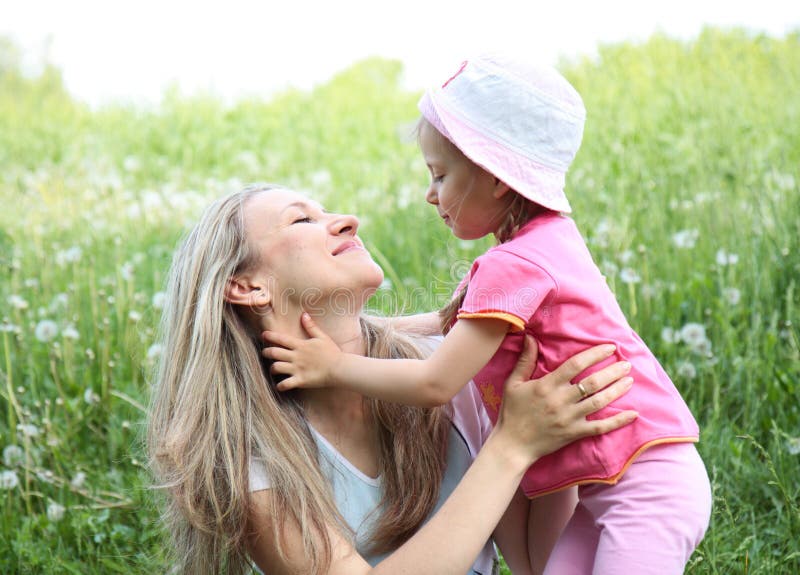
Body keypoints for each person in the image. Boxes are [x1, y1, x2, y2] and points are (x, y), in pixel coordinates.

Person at [262, 55, 713, 574]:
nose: (431, 195)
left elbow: (435, 380)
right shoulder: (537, 247)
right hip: (609, 488)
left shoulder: (512, 265)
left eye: (440, 175)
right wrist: (350, 334)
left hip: (647, 486)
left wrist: (331, 366)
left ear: (495, 176)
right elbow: (445, 324)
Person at [146, 184, 638, 575]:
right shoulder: (253, 462)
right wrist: (512, 447)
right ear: (245, 286)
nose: (347, 220)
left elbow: (536, 563)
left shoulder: (447, 377)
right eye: (302, 219)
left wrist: (553, 436)